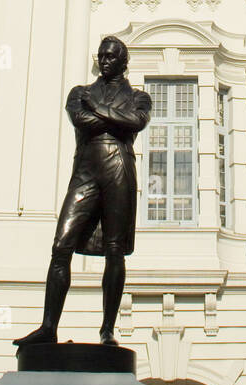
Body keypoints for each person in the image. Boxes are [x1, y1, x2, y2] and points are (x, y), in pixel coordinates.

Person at [14, 36, 152, 346]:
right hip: (86, 169)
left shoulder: (138, 97)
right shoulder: (80, 93)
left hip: (119, 168)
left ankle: (107, 330)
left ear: (123, 61)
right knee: (61, 245)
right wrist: (113, 119)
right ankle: (49, 326)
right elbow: (82, 120)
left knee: (115, 251)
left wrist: (100, 110)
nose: (104, 60)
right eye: (101, 55)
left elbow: (136, 122)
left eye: (111, 56)